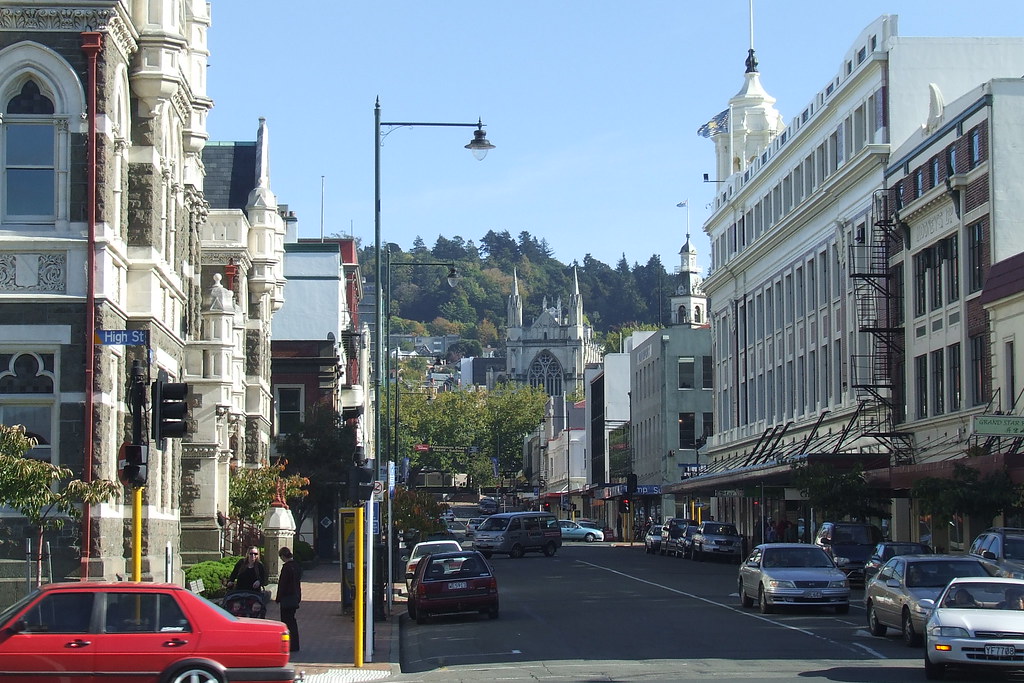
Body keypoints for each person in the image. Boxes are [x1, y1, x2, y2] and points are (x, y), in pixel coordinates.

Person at [275, 547, 302, 652]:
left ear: (282, 556)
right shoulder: (296, 566)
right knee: (293, 621)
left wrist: (278, 598)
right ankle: (295, 644)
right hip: (295, 597)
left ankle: (289, 645)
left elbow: (283, 584)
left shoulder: (286, 568)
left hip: (287, 598)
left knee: (286, 622)